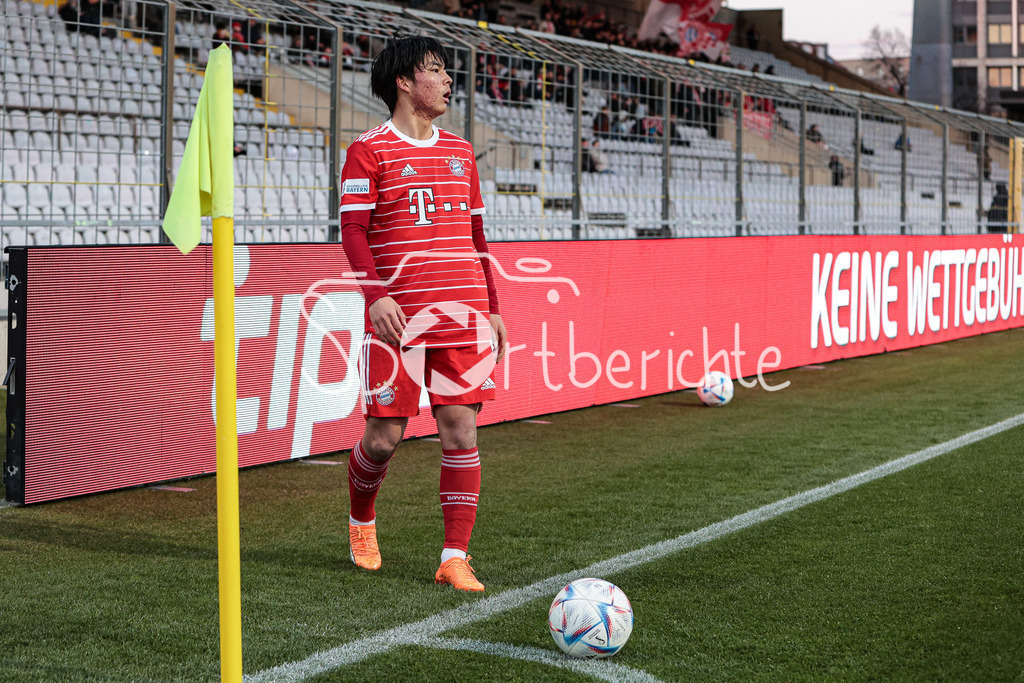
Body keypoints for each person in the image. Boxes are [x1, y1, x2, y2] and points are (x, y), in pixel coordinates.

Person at [338, 33, 507, 593]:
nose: (447, 79)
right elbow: (353, 232)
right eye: (436, 70)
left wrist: (495, 308)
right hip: (398, 319)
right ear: (404, 82)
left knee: (461, 431)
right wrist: (375, 295)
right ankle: (362, 520)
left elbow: (479, 236)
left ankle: (454, 556)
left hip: (463, 315)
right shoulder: (369, 150)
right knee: (384, 437)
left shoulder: (460, 152)